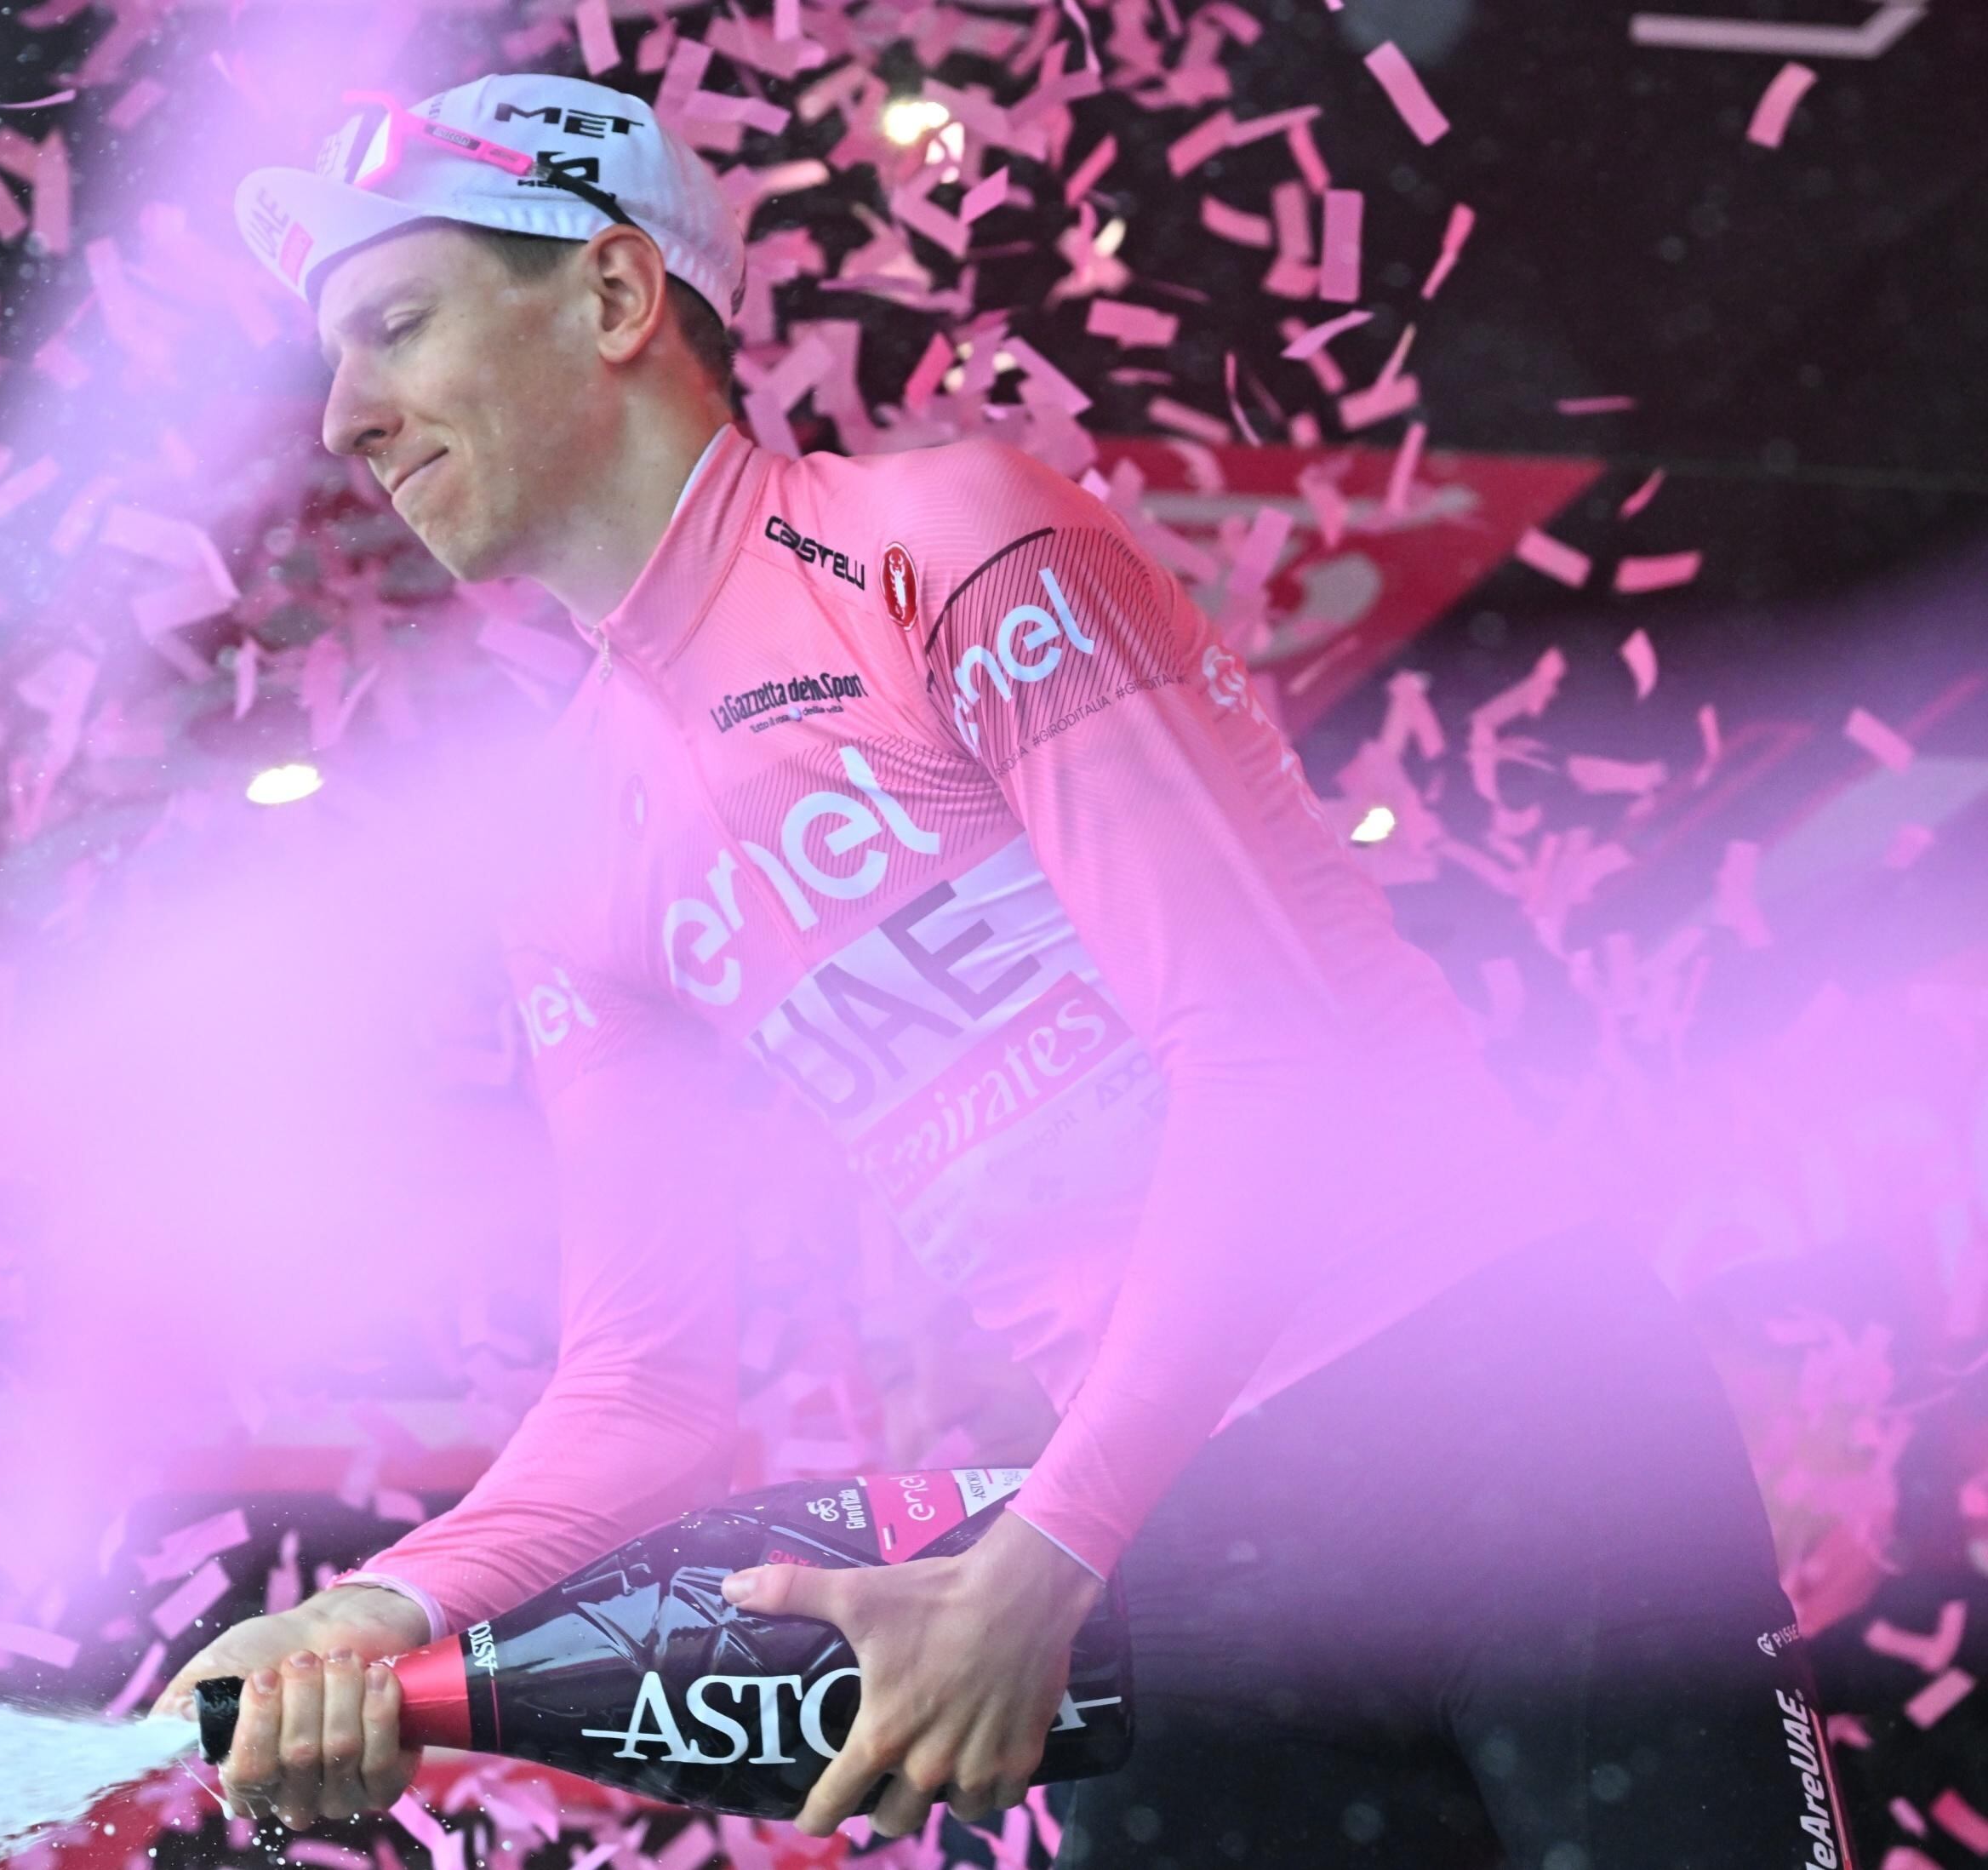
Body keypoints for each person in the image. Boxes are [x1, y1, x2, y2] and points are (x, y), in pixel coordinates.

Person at [163, 71, 1859, 1870]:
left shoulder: (950, 537)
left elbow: (1270, 1057)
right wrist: (381, 1616)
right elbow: (644, 1391)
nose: (347, 416)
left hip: (1508, 1405)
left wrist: (1046, 1552)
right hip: (1167, 1536)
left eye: (397, 326)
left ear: (608, 297)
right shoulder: (567, 846)